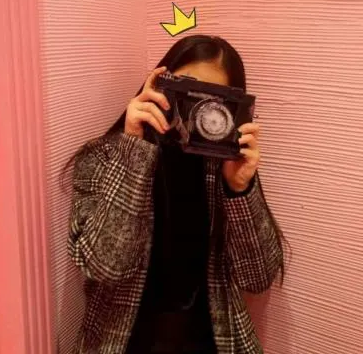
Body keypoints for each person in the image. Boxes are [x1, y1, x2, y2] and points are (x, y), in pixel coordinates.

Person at [66, 35, 286, 354]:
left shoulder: (225, 164)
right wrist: (134, 150)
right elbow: (104, 267)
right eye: (186, 89)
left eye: (213, 99)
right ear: (160, 86)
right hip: (125, 341)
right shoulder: (105, 157)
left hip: (209, 340)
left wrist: (239, 189)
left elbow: (258, 278)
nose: (196, 108)